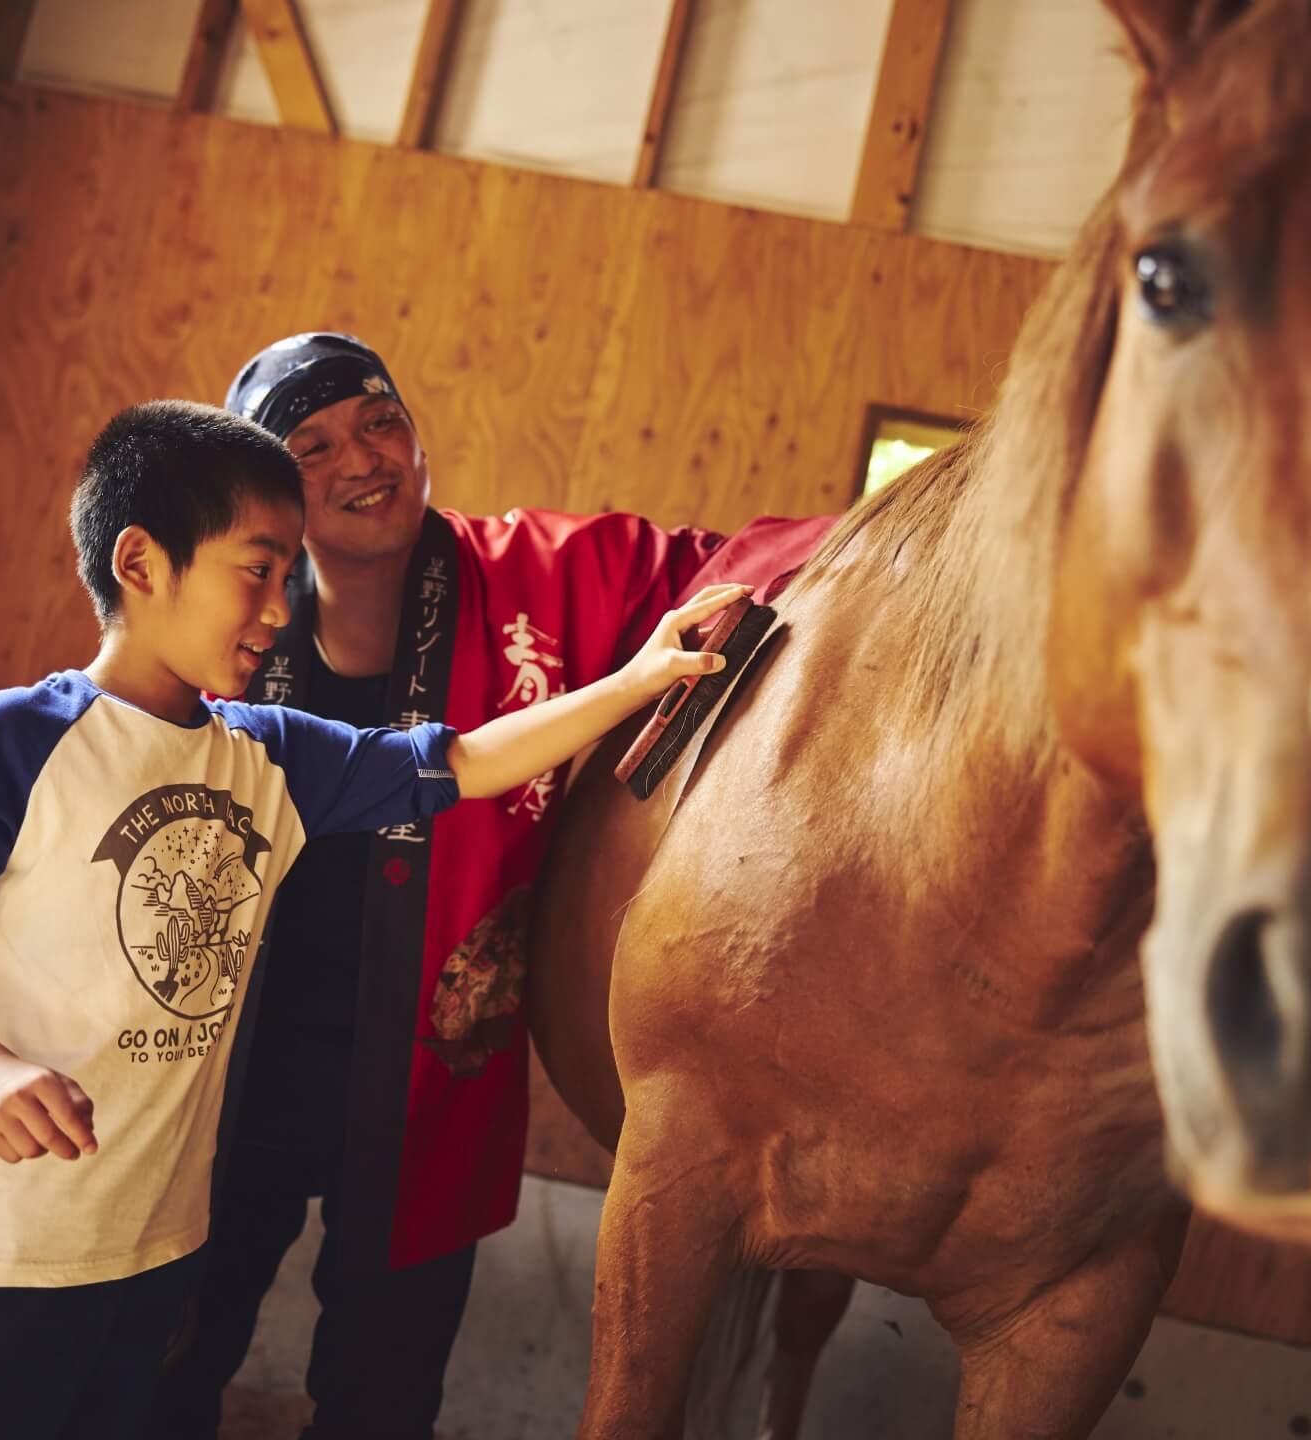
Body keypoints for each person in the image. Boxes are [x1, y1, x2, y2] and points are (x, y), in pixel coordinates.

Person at [0, 399, 741, 1440]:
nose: (279, 603)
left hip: (155, 1251)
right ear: (141, 562)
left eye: (286, 571)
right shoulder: (13, 740)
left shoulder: (268, 753)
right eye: (256, 568)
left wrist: (636, 680)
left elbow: (468, 761)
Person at [149, 333, 837, 1440]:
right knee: (163, 1370)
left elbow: (748, 567)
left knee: (380, 1403)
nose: (362, 458)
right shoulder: (225, 613)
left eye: (379, 420)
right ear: (269, 486)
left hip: (427, 1086)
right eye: (311, 445)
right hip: (230, 1075)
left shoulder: (542, 575)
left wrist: (921, 538)